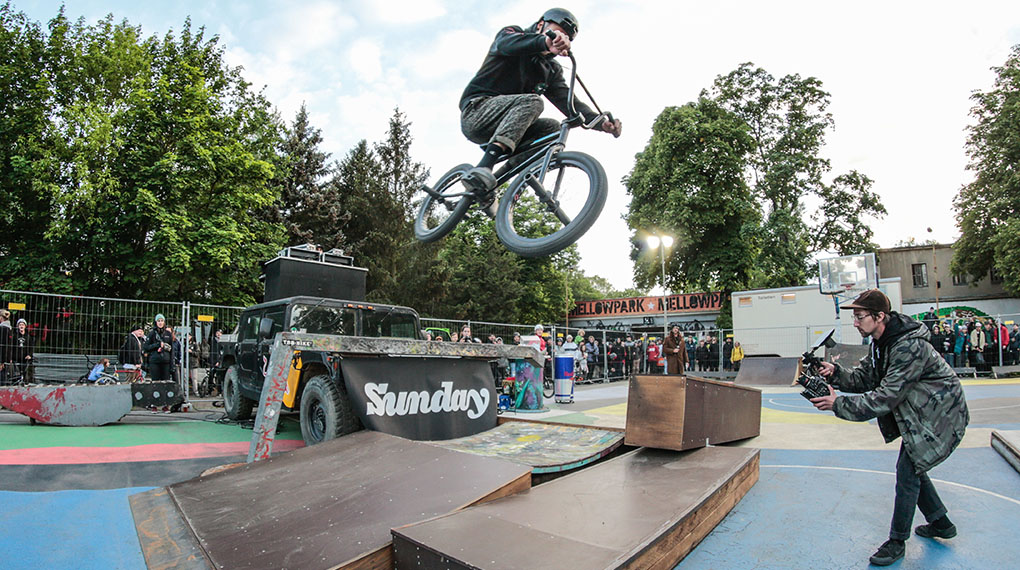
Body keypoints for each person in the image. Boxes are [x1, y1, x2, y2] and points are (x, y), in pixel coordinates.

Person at [810, 289, 968, 566]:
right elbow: (867, 378)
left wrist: (838, 405)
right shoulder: (881, 342)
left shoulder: (908, 347)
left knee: (907, 472)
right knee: (914, 466)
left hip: (941, 414)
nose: (855, 322)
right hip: (923, 413)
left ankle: (897, 542)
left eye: (860, 317)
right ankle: (941, 523)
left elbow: (886, 397)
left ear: (879, 316)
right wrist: (836, 374)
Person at [457, 8, 623, 205]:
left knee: (552, 130)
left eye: (564, 37)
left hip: (509, 126)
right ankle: (484, 168)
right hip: (477, 111)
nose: (558, 39)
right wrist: (543, 41)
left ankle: (491, 186)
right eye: (555, 32)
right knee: (533, 101)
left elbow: (571, 104)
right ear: (539, 26)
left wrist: (601, 124)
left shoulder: (550, 70)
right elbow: (506, 44)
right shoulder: (512, 34)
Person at [144, 314, 174, 381]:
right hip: (154, 361)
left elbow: (172, 350)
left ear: (164, 322)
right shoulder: (151, 333)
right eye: (158, 321)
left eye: (162, 321)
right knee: (156, 382)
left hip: (166, 361)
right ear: (156, 322)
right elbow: (146, 347)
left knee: (166, 382)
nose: (160, 322)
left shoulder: (168, 334)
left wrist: (172, 364)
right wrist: (157, 345)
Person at [0, 309, 11, 383]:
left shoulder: (2, 328)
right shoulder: (9, 328)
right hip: (7, 358)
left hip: (2, 359)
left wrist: (1, 361)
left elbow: (2, 346)